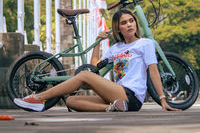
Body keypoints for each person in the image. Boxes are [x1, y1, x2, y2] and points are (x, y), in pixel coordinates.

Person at [14, 9, 179, 112]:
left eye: (131, 20)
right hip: (116, 97)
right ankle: (113, 108)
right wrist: (97, 43)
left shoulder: (145, 44)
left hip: (132, 95)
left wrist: (163, 99)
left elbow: (153, 70)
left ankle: (39, 98)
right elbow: (94, 69)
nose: (129, 24)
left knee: (84, 75)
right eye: (124, 23)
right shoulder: (116, 48)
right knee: (71, 101)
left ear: (135, 23)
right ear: (118, 28)